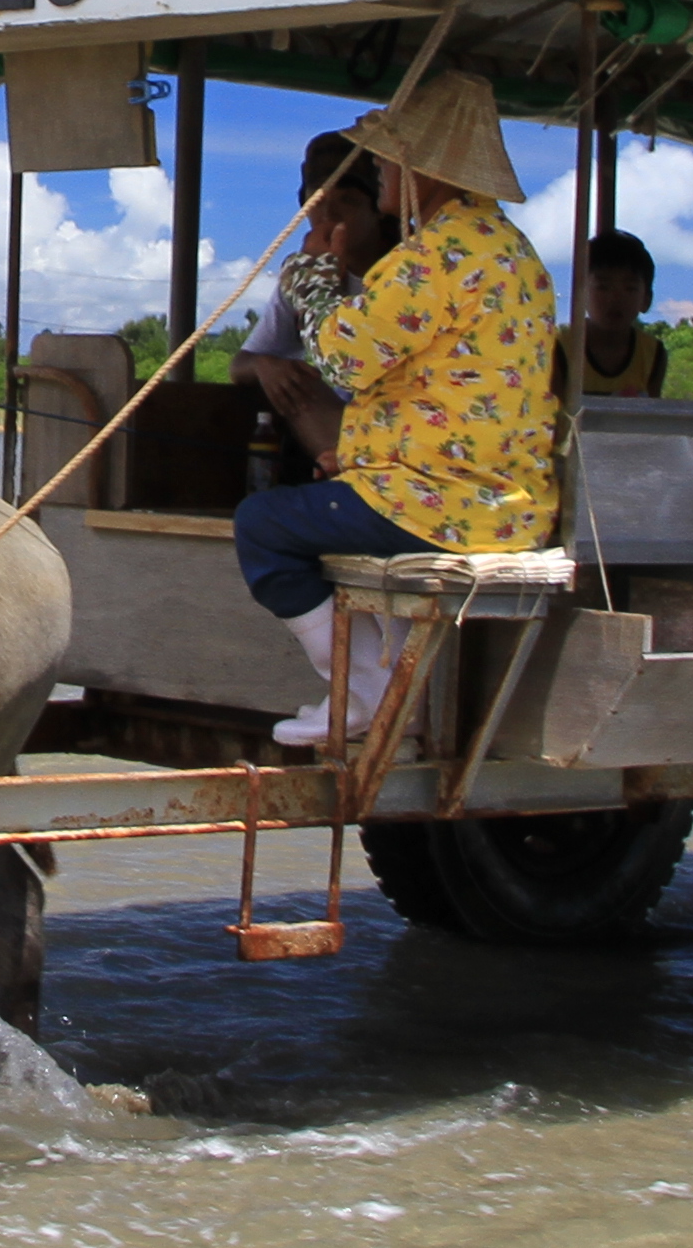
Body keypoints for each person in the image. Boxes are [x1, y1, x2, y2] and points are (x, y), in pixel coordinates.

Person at [229, 73, 563, 747]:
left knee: (263, 524)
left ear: (421, 170)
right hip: (507, 502)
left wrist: (310, 274)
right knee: (322, 501)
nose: (377, 165)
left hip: (442, 505)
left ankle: (363, 692)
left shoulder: (434, 257)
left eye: (387, 155)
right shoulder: (512, 253)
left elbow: (342, 358)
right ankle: (373, 684)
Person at [234, 132, 395, 472]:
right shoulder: (300, 275)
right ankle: (349, 478)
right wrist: (266, 366)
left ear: (378, 209)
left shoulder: (404, 271)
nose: (329, 213)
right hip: (337, 430)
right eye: (317, 199)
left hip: (403, 428)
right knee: (295, 384)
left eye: (347, 200)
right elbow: (240, 364)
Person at [558, 225, 668, 402]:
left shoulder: (653, 354)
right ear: (581, 294)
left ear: (646, 299)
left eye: (629, 289)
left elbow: (650, 417)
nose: (615, 298)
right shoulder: (560, 348)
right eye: (603, 287)